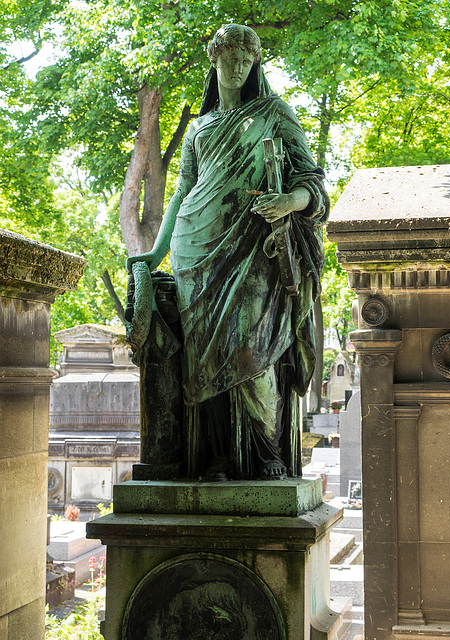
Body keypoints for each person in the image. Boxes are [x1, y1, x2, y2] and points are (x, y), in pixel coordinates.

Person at [127, 24, 329, 480]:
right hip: (195, 250)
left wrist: (288, 202)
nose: (238, 67)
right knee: (204, 358)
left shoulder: (274, 113)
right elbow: (182, 193)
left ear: (254, 64)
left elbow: (312, 182)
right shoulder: (199, 129)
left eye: (247, 60)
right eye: (231, 58)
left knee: (253, 353)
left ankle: (266, 452)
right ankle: (217, 457)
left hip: (254, 250)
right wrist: (154, 254)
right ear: (214, 59)